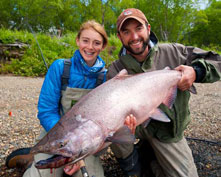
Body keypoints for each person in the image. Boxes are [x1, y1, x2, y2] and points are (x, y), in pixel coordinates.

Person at [107, 8, 221, 177]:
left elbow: (217, 61)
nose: (134, 37)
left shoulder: (174, 52)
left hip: (167, 132)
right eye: (126, 32)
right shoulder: (115, 70)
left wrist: (196, 72)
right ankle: (133, 168)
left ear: (148, 28)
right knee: (110, 132)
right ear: (119, 36)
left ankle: (152, 160)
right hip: (137, 128)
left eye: (138, 29)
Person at [7, 20, 108, 177]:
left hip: (87, 143)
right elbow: (46, 111)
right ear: (77, 41)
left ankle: (34, 157)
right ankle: (31, 160)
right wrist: (68, 144)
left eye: (96, 43)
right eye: (85, 41)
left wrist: (80, 149)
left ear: (103, 46)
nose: (90, 47)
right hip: (54, 136)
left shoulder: (106, 77)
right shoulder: (60, 67)